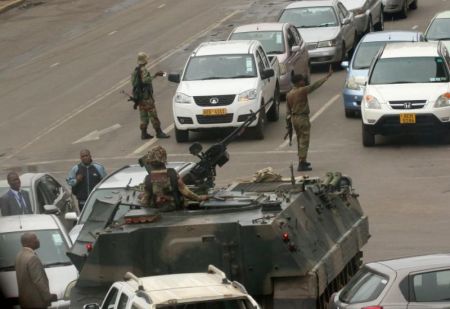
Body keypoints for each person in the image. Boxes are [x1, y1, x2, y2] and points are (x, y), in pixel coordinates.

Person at [286, 66, 333, 171]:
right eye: (302, 80)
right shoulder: (302, 90)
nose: (304, 81)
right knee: (304, 140)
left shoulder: (289, 94)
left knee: (299, 140)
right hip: (302, 118)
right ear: (298, 83)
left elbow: (288, 110)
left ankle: (302, 160)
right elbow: (315, 85)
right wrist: (327, 77)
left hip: (294, 119)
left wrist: (288, 123)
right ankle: (302, 163)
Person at [140, 145, 208, 211]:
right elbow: (185, 192)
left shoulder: (148, 178)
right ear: (164, 158)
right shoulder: (172, 174)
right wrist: (199, 198)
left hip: (159, 211)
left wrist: (141, 198)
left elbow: (145, 201)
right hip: (175, 208)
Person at [131, 52, 170, 140]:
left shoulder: (135, 70)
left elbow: (133, 83)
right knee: (153, 114)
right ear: (145, 60)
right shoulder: (144, 70)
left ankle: (144, 133)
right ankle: (159, 132)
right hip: (146, 97)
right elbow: (145, 80)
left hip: (139, 98)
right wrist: (155, 75)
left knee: (143, 116)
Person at [15, 232, 57, 309]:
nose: (38, 240)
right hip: (36, 303)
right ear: (29, 242)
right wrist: (48, 297)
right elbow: (39, 281)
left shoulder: (19, 255)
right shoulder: (32, 258)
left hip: (25, 302)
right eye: (35, 239)